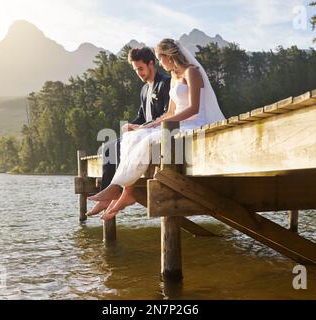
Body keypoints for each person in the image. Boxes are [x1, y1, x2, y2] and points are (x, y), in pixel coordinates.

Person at [89, 38, 225, 220]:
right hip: (175, 122)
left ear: (168, 56)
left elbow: (193, 108)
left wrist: (166, 124)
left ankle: (120, 188)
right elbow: (170, 112)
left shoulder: (192, 72)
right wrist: (152, 124)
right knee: (133, 137)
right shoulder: (175, 78)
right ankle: (123, 190)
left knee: (146, 140)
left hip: (192, 123)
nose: (160, 63)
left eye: (160, 59)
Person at [85, 47, 171, 216]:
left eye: (141, 68)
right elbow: (142, 115)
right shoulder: (144, 90)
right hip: (143, 131)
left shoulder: (165, 82)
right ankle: (107, 197)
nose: (138, 73)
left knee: (120, 146)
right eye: (135, 70)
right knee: (109, 148)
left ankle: (117, 193)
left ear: (151, 63)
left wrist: (142, 127)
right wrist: (131, 124)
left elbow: (167, 113)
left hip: (158, 131)